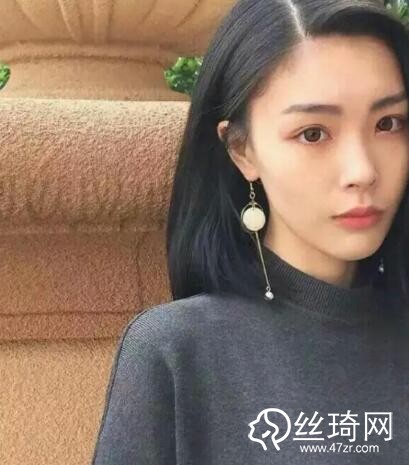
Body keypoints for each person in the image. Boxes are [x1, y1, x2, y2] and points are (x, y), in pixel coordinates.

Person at [91, 0, 409, 463]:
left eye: (388, 124)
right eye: (313, 133)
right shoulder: (177, 353)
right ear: (242, 150)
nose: (362, 170)